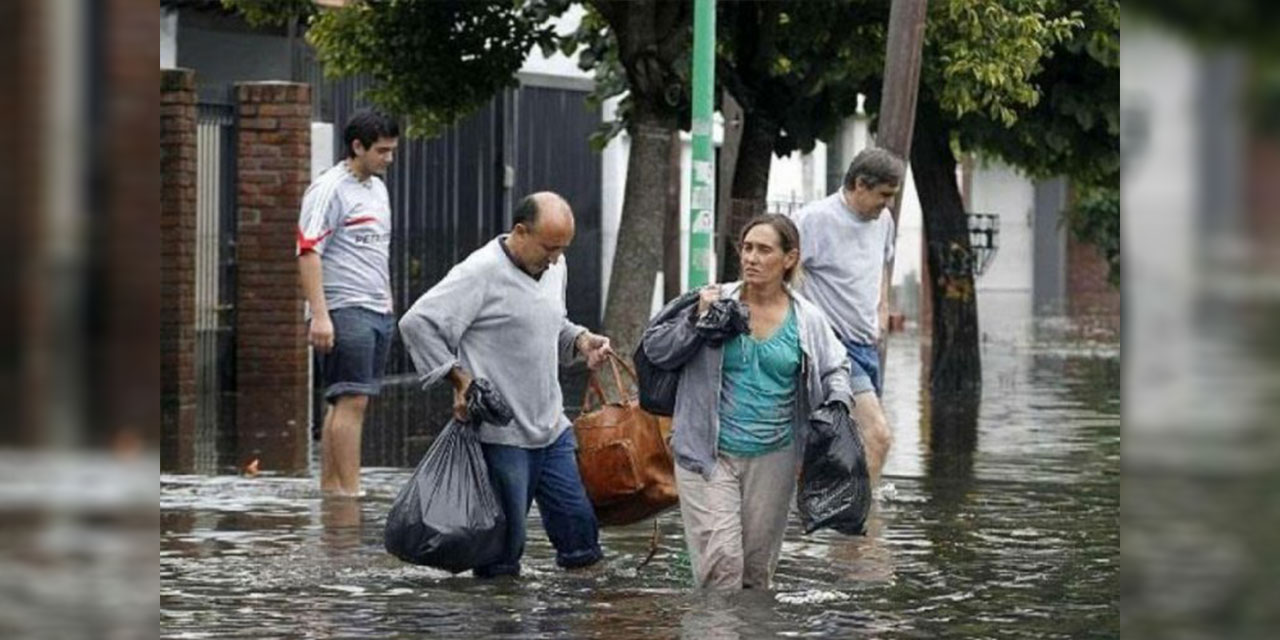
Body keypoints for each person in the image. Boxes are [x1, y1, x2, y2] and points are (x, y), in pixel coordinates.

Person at [399, 191, 612, 578]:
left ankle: (586, 615)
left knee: (582, 537)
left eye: (563, 249)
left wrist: (580, 340)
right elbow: (418, 323)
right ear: (520, 231)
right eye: (549, 248)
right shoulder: (479, 272)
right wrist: (459, 379)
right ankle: (500, 620)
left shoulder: (554, 267)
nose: (556, 259)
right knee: (501, 556)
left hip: (551, 427)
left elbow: (548, 321)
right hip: (501, 436)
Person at [642, 214, 854, 590]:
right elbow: (656, 350)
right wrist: (696, 321)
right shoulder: (712, 301)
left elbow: (836, 367)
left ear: (789, 259)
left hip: (774, 458)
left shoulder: (808, 320)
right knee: (722, 568)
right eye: (747, 248)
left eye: (764, 250)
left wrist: (838, 402)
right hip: (707, 455)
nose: (751, 258)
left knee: (756, 576)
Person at [297, 109, 399, 496]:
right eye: (382, 151)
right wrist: (320, 316)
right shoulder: (329, 189)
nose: (388, 159)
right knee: (352, 400)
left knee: (343, 400)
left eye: (392, 151)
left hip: (376, 309)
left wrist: (386, 300)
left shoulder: (377, 188)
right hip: (344, 309)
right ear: (357, 146)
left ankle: (332, 491)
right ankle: (351, 494)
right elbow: (308, 251)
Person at [789, 147, 900, 483]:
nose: (888, 204)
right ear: (860, 185)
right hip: (833, 348)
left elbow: (882, 264)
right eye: (884, 195)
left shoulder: (883, 221)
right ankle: (862, 526)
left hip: (867, 344)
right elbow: (783, 271)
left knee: (844, 445)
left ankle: (838, 521)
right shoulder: (814, 219)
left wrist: (882, 309)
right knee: (877, 436)